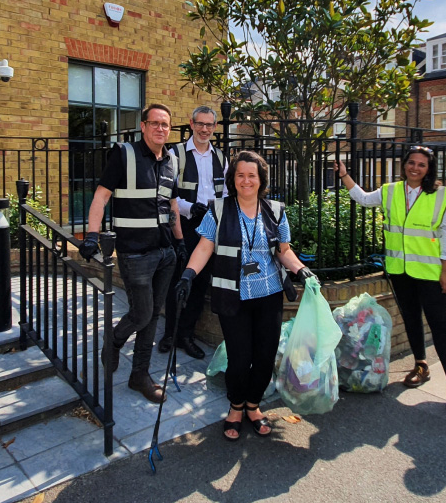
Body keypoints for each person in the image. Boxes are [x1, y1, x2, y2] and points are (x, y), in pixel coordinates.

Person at [174, 150, 317, 441]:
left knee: (264, 357)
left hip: (269, 295)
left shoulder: (275, 210)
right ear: (233, 178)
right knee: (240, 359)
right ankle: (236, 407)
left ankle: (254, 406)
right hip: (233, 295)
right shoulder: (219, 209)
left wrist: (302, 270)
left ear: (261, 179)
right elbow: (204, 247)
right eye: (240, 175)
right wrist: (188, 274)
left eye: (252, 175)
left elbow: (284, 252)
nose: (246, 180)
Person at [335, 147, 446, 405]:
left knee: (440, 324)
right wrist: (344, 175)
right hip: (399, 270)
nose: (415, 168)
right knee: (412, 319)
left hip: (430, 272)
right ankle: (420, 366)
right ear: (404, 165)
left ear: (429, 169)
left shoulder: (441, 195)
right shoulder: (390, 191)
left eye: (422, 165)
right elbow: (362, 198)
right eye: (411, 163)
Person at [79, 103, 187, 404]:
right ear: (143, 126)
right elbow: (101, 197)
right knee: (141, 313)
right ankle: (113, 340)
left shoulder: (171, 161)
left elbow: (172, 205)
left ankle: (139, 374)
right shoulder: (124, 154)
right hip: (134, 252)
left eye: (165, 124)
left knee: (153, 316)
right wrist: (91, 234)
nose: (160, 129)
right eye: (154, 123)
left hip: (165, 252)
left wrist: (179, 243)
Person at [158, 106, 228, 359]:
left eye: (210, 125)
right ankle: (169, 333)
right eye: (201, 124)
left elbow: (228, 194)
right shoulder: (175, 153)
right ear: (191, 124)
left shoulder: (220, 157)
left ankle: (185, 335)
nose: (205, 129)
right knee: (177, 279)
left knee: (199, 284)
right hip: (183, 226)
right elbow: (166, 192)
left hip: (210, 229)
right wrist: (189, 208)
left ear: (215, 128)